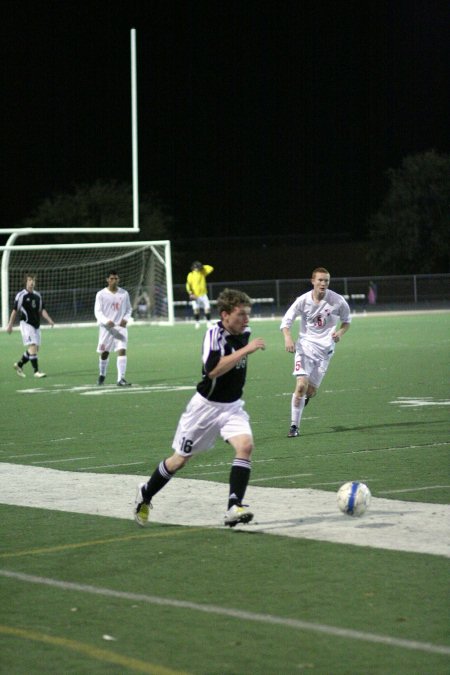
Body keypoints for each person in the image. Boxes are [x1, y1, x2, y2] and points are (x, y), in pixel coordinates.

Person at [134, 288, 266, 528]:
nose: (247, 320)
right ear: (225, 315)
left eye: (248, 314)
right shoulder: (214, 335)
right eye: (241, 314)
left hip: (232, 407)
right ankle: (145, 494)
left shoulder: (245, 332)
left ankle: (233, 507)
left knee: (245, 446)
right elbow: (213, 369)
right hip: (204, 409)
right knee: (179, 461)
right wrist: (245, 350)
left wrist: (244, 349)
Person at [280, 267, 351, 438]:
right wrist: (288, 338)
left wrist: (339, 333)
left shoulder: (338, 301)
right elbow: (286, 322)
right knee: (301, 386)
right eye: (320, 280)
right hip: (305, 348)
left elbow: (347, 321)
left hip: (325, 351)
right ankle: (294, 426)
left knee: (310, 391)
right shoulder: (302, 301)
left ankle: (302, 401)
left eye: (326, 280)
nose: (323, 283)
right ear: (313, 281)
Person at [7, 273, 55, 378]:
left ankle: (19, 365)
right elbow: (15, 311)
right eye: (29, 280)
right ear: (26, 282)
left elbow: (41, 310)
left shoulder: (38, 295)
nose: (32, 282)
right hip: (26, 324)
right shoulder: (21, 295)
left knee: (35, 349)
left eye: (33, 280)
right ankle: (36, 372)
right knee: (32, 346)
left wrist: (49, 319)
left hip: (36, 325)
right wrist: (10, 324)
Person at [94, 271, 132, 386]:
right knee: (105, 353)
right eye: (112, 278)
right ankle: (102, 374)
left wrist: (125, 319)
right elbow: (98, 311)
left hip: (120, 328)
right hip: (106, 329)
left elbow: (129, 309)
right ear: (107, 280)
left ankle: (121, 379)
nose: (114, 280)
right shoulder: (101, 294)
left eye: (116, 278)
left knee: (122, 350)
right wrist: (106, 321)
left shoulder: (124, 293)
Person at [186, 261, 214, 329]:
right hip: (195, 296)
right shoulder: (191, 274)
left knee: (207, 308)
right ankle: (197, 322)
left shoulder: (202, 272)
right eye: (196, 267)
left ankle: (208, 322)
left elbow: (211, 268)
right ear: (193, 267)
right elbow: (188, 285)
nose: (197, 269)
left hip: (203, 294)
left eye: (198, 267)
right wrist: (190, 293)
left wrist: (202, 266)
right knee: (196, 310)